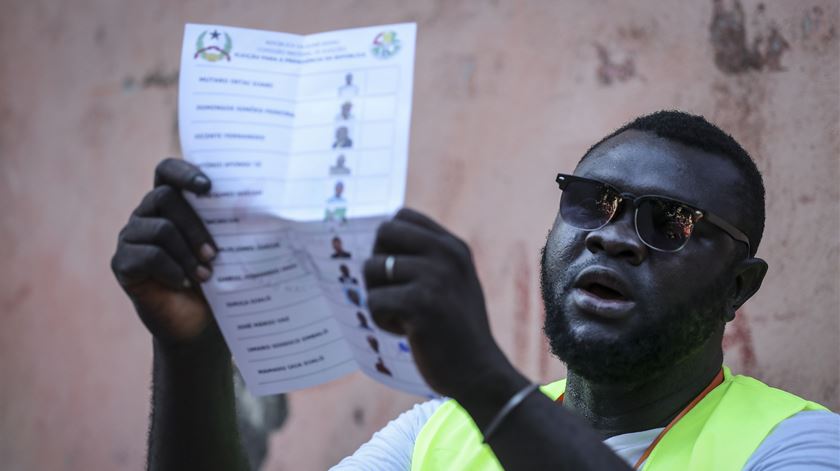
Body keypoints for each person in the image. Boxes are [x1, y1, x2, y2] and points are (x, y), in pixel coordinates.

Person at [111, 110, 839, 470]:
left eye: (669, 221)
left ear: (738, 287)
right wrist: (193, 343)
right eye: (593, 200)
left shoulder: (797, 444)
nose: (613, 235)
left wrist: (484, 377)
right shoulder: (434, 437)